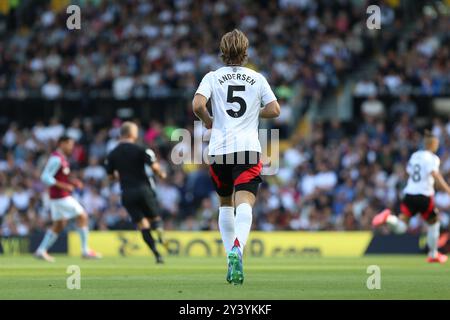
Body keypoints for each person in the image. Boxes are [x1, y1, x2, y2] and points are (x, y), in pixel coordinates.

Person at [192, 29, 280, 285]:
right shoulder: (257, 78)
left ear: (222, 51)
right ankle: (238, 250)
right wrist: (252, 113)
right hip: (247, 149)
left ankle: (229, 257)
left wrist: (209, 120)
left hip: (219, 151)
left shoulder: (212, 77)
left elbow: (197, 105)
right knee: (245, 204)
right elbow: (275, 109)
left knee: (225, 205)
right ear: (245, 51)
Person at [372, 131, 449, 263]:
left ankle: (388, 218)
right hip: (424, 195)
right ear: (431, 144)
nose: (437, 145)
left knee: (401, 226)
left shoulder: (415, 156)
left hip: (409, 194)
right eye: (436, 143)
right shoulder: (432, 158)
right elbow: (435, 175)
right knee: (434, 224)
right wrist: (447, 189)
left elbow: (410, 173)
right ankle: (433, 254)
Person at [105, 121, 167, 264]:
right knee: (155, 218)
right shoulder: (141, 148)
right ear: (132, 133)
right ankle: (160, 234)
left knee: (142, 225)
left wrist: (119, 175)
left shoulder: (112, 153)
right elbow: (154, 167)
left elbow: (110, 177)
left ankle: (156, 254)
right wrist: (161, 175)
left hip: (126, 193)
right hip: (143, 189)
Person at [35, 136, 101, 262]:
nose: (72, 147)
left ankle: (41, 250)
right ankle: (85, 250)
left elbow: (59, 177)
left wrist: (72, 181)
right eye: (70, 144)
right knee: (83, 216)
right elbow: (45, 177)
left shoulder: (62, 159)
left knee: (59, 225)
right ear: (62, 144)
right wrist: (64, 185)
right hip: (61, 197)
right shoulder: (56, 158)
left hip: (57, 197)